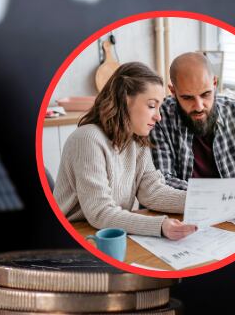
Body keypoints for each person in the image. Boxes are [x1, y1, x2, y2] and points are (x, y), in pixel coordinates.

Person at [53, 62, 197, 240]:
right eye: (152, 106)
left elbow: (152, 192)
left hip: (107, 233)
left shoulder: (137, 142)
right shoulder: (88, 139)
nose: (158, 116)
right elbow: (100, 212)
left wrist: (204, 201)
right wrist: (160, 225)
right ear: (126, 100)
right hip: (73, 235)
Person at [151, 52, 235, 205]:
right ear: (173, 91)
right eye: (187, 97)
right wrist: (224, 198)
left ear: (214, 83)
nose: (199, 106)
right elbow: (163, 182)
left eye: (206, 94)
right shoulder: (159, 118)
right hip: (183, 216)